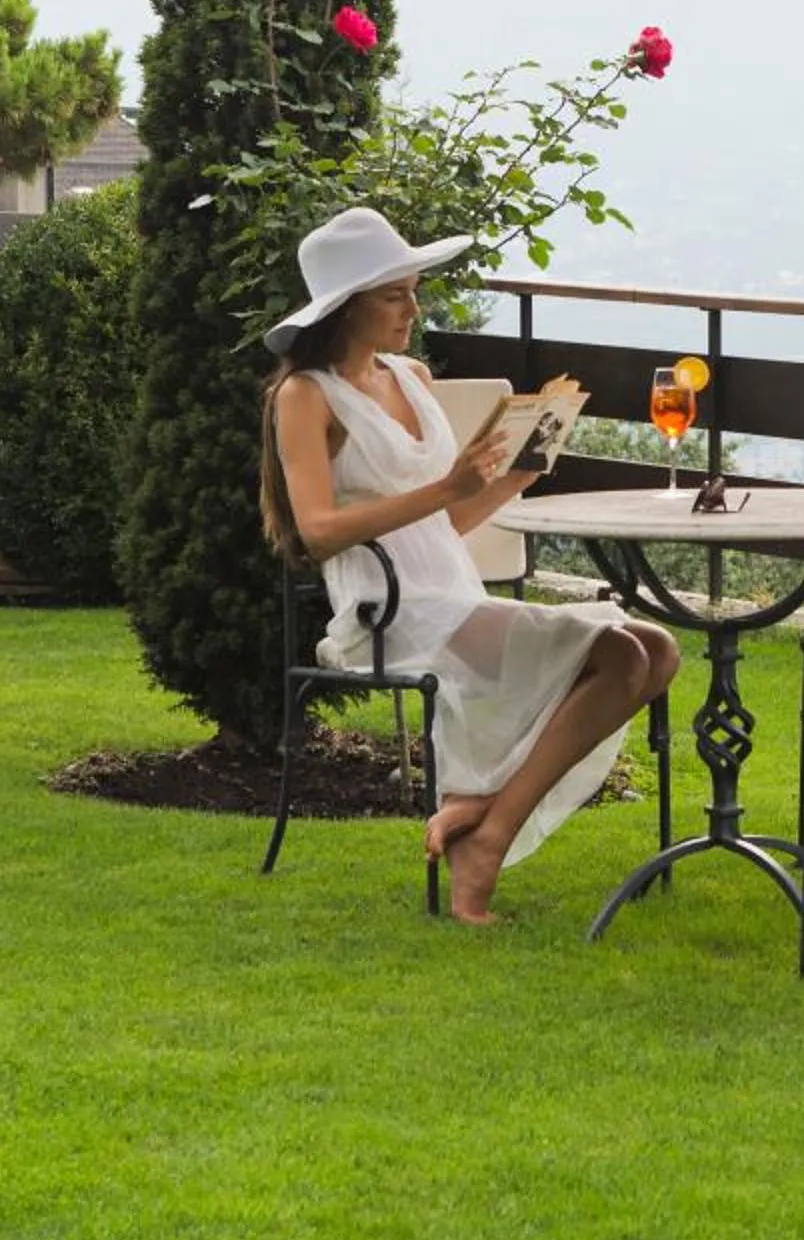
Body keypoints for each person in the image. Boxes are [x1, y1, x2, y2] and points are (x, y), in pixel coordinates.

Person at [260, 206, 678, 924]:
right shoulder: (304, 396)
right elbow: (317, 532)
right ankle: (485, 842)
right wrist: (444, 486)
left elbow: (443, 523)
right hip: (387, 609)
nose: (412, 309)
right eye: (395, 295)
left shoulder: (411, 375)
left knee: (658, 651)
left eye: (413, 291)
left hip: (448, 588)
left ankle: (481, 808)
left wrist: (516, 476)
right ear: (347, 308)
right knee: (619, 654)